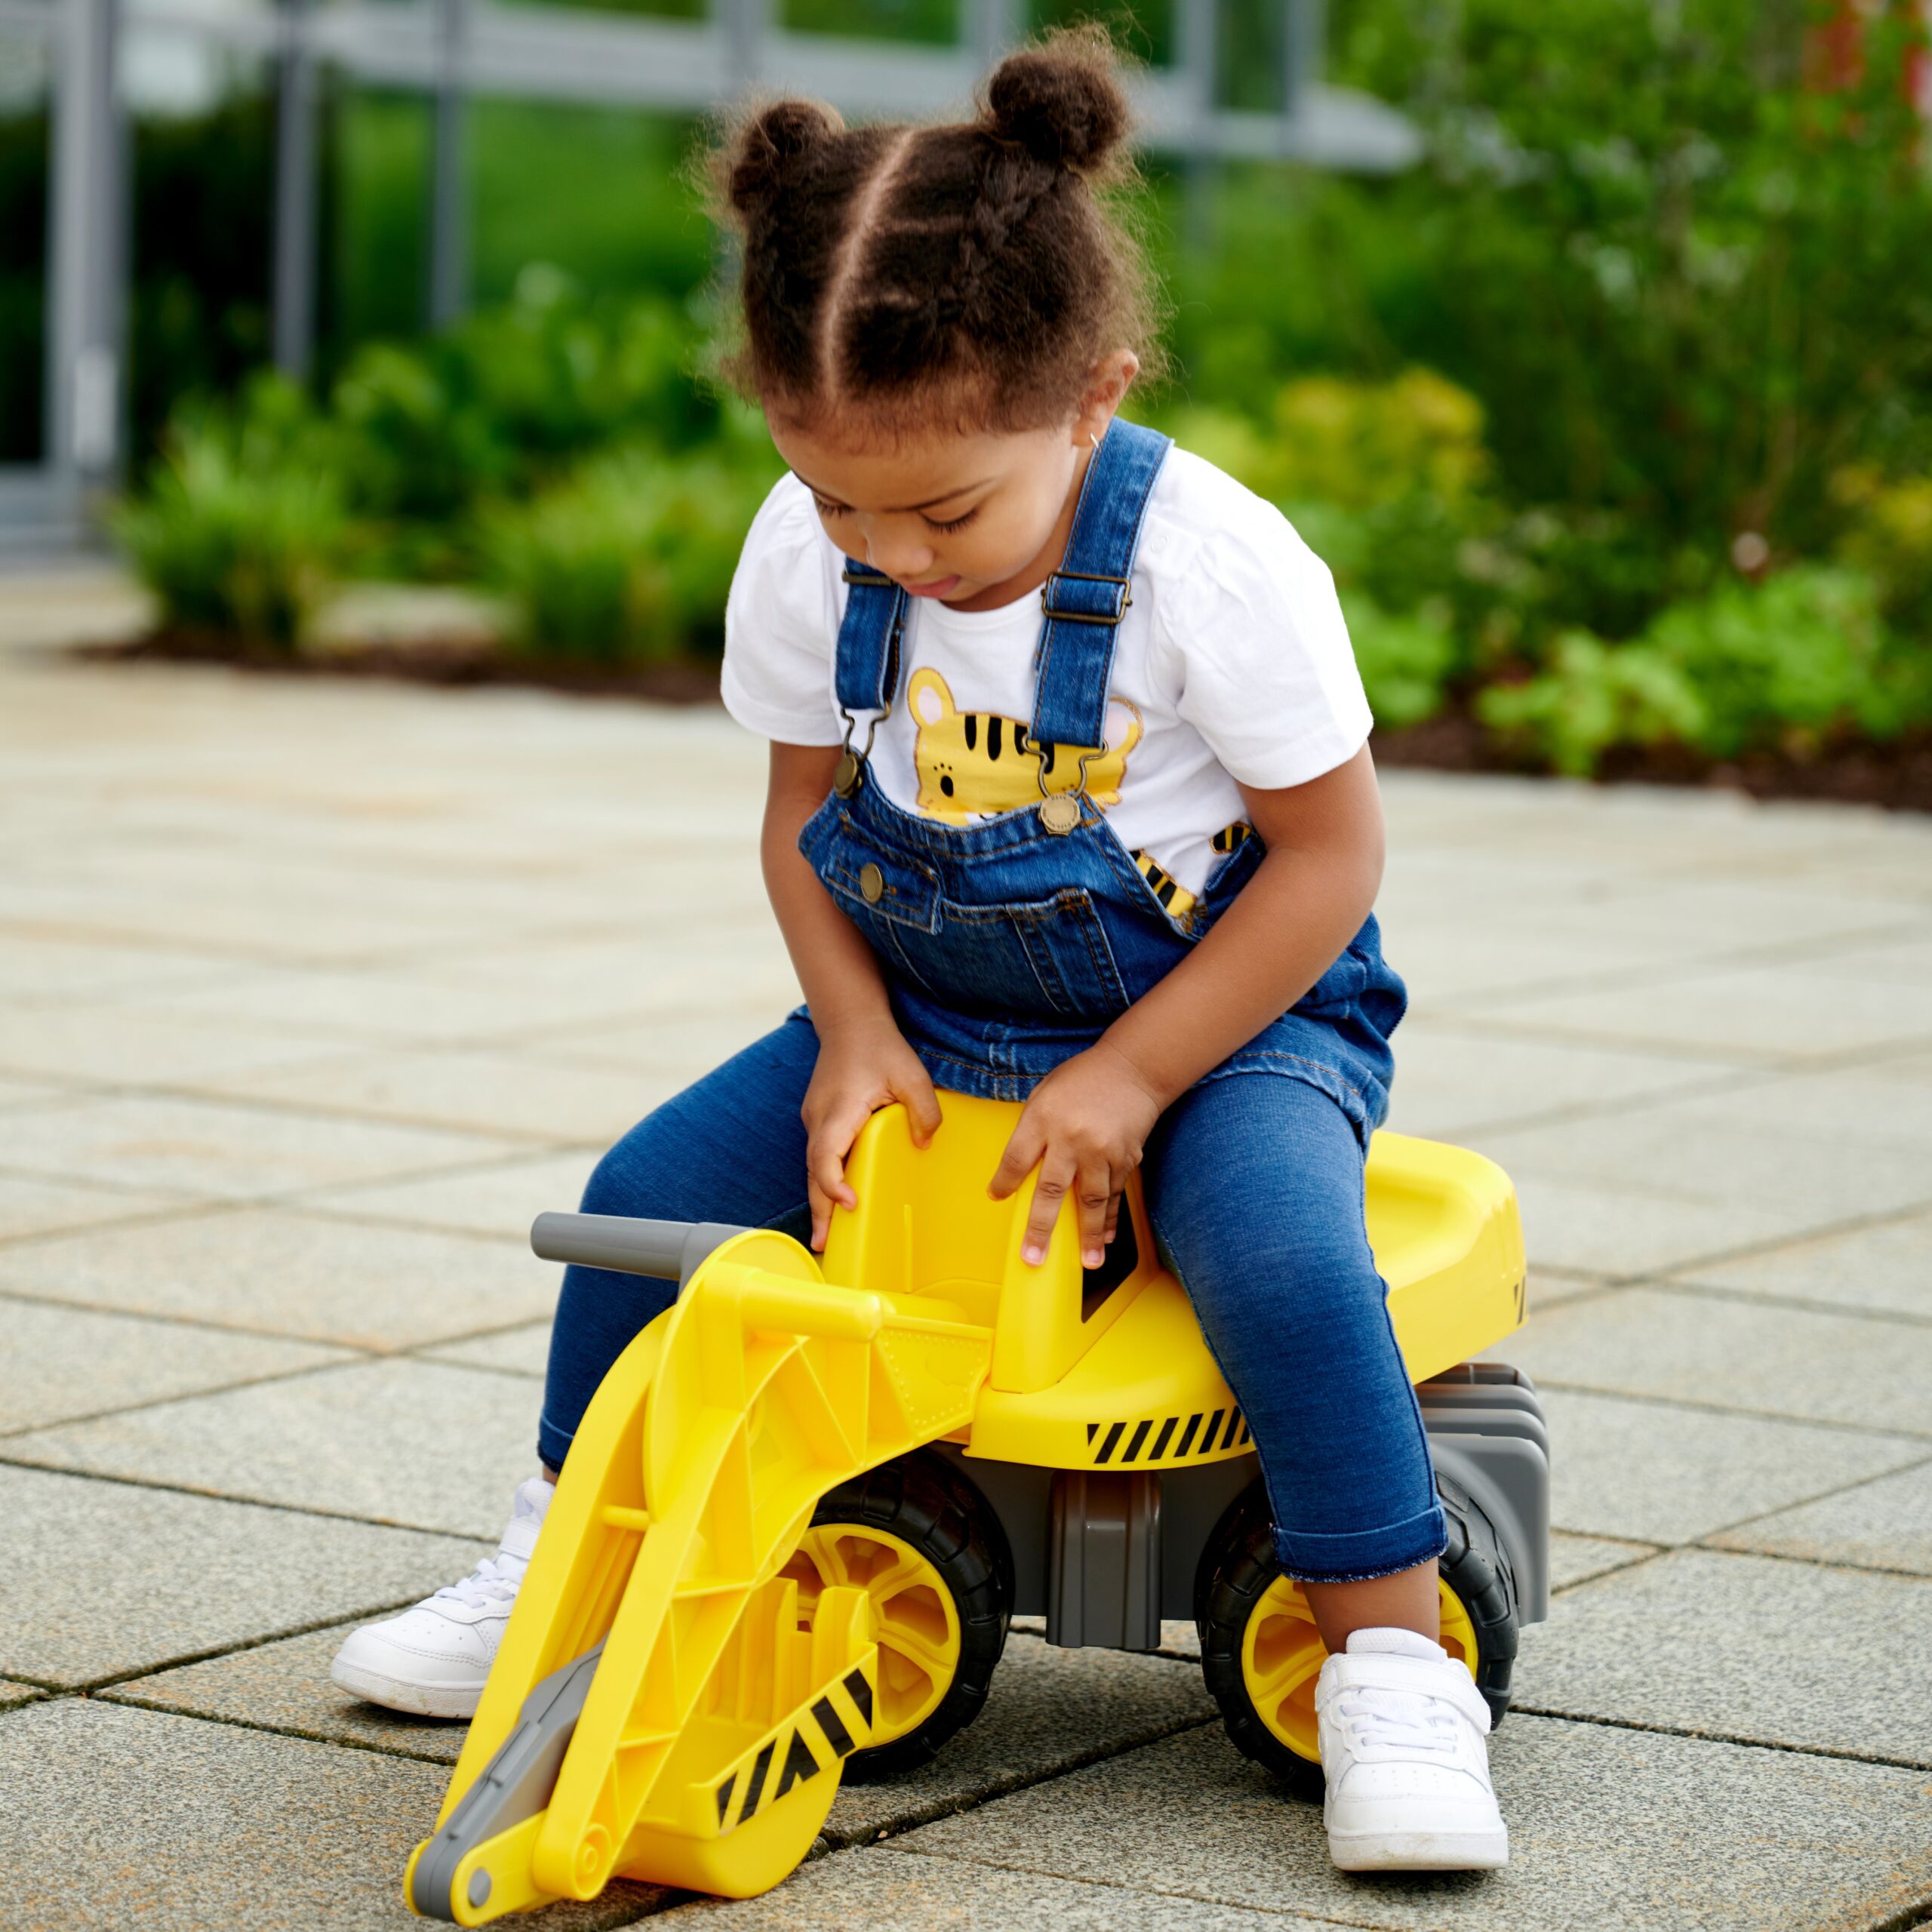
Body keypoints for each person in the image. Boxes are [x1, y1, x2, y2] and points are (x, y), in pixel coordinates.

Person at [331, 29, 1509, 1874]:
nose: (893, 553)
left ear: (1088, 397)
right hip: (931, 1006)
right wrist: (852, 1032)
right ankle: (558, 1552)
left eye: (946, 510)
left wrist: (1130, 1078)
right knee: (647, 1196)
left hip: (1231, 1019)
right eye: (837, 503)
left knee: (1277, 1249)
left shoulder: (1211, 566)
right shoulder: (818, 557)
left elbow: (1330, 860)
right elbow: (808, 824)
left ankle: (1384, 1658)